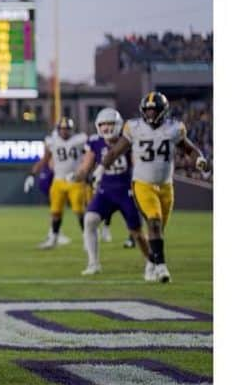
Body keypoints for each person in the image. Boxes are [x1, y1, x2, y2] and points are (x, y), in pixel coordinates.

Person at [100, 91, 208, 283]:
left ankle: (151, 262)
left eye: (153, 110)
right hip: (142, 183)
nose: (150, 114)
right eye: (147, 111)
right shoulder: (134, 127)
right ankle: (162, 267)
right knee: (154, 221)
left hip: (166, 186)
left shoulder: (174, 128)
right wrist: (100, 169)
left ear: (162, 110)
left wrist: (199, 159)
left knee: (157, 230)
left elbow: (190, 149)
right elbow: (116, 151)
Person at [75, 107, 150, 276]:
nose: (106, 128)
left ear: (118, 125)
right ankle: (93, 263)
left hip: (126, 191)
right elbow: (86, 166)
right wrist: (76, 175)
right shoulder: (95, 142)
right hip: (105, 191)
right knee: (90, 220)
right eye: (103, 124)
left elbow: (137, 164)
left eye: (110, 124)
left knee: (136, 232)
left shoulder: (128, 141)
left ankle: (151, 262)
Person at [24, 116, 89, 248]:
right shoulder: (52, 141)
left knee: (79, 211)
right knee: (55, 212)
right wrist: (32, 174)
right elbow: (44, 159)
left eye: (67, 129)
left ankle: (87, 238)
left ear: (72, 130)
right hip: (58, 180)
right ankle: (53, 238)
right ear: (58, 130)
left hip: (75, 180)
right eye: (62, 129)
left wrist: (84, 171)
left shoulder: (80, 140)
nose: (65, 131)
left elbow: (90, 155)